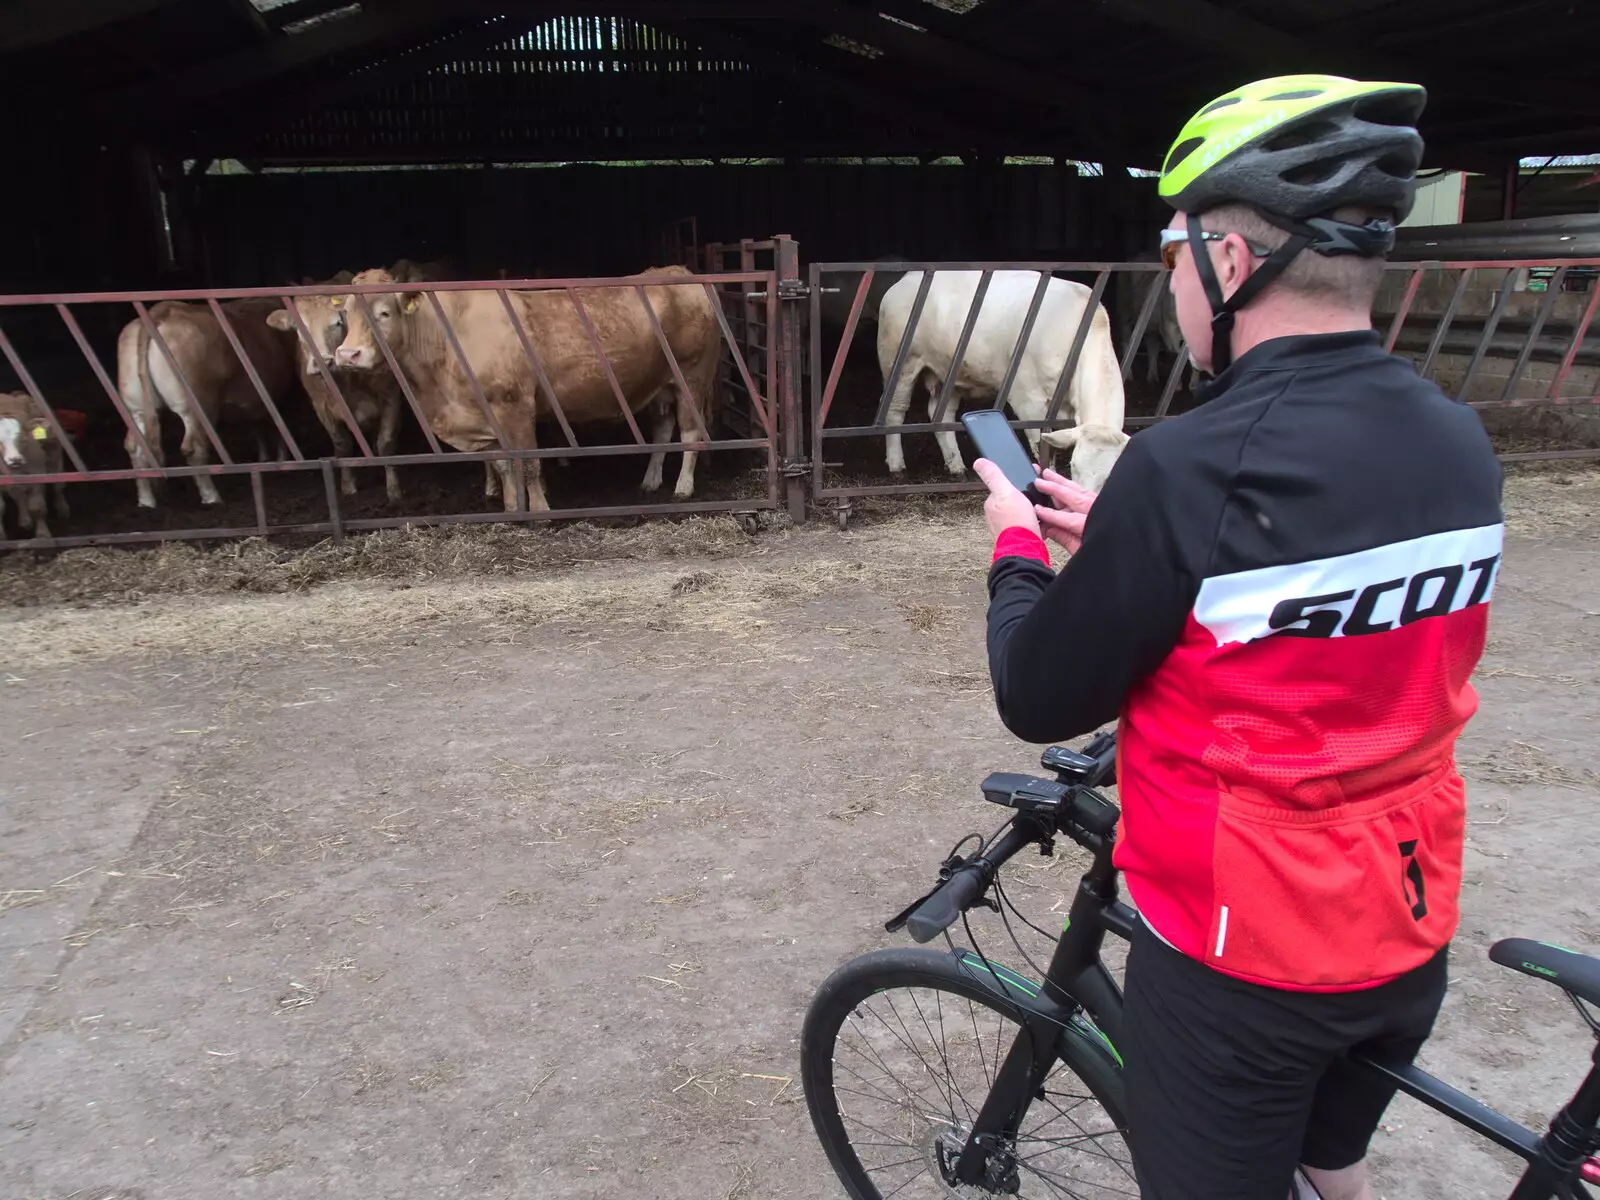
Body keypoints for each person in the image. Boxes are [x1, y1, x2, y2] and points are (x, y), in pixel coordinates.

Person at [974, 75, 1505, 1200]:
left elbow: (1036, 693)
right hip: (1406, 922)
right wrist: (1124, 544)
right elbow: (1332, 613)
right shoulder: (1456, 441)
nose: (1171, 282)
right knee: (1327, 1169)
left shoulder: (1191, 464)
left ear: (1225, 259)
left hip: (1243, 954)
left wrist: (1017, 546)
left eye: (1171, 256)